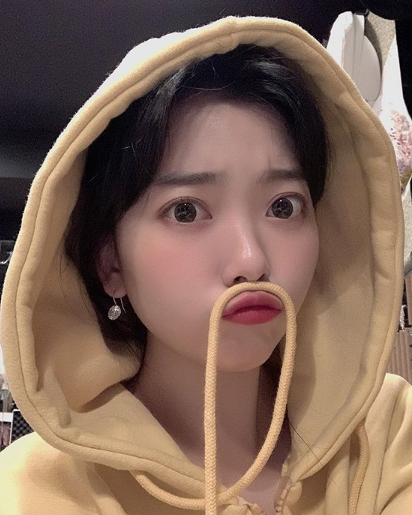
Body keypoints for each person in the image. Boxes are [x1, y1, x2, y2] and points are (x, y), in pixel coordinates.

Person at [0, 15, 410, 515]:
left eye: (283, 206)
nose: (250, 260)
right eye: (186, 211)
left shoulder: (385, 430)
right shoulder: (30, 490)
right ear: (111, 263)